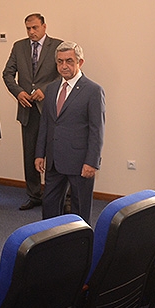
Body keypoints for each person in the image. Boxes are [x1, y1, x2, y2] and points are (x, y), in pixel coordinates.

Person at [35, 41, 105, 222]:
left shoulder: (93, 91)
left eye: (69, 61)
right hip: (54, 161)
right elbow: (45, 123)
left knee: (79, 209)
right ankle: (50, 236)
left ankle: (80, 239)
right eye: (60, 61)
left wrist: (92, 162)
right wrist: (40, 154)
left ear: (80, 62)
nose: (64, 66)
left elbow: (97, 130)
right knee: (49, 205)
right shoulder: (51, 89)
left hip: (80, 162)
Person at [2, 13, 62, 210]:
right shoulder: (19, 46)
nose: (31, 32)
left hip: (51, 108)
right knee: (30, 154)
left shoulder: (57, 46)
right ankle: (34, 195)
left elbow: (63, 75)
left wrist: (45, 90)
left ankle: (58, 196)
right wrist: (18, 92)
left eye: (35, 27)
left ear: (44, 26)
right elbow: (7, 73)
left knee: (54, 154)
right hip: (28, 108)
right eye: (28, 28)